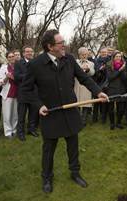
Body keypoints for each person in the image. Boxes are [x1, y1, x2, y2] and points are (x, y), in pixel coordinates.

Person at [21, 29, 108, 193]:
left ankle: (75, 173)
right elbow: (25, 90)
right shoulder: (36, 64)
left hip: (70, 111)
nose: (64, 46)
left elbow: (84, 78)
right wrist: (39, 105)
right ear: (50, 46)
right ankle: (47, 178)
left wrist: (98, 92)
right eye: (61, 43)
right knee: (48, 150)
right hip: (51, 113)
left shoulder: (68, 59)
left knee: (73, 145)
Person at [14, 46, 39, 141]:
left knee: (33, 113)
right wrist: (29, 76)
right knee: (22, 114)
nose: (29, 53)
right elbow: (16, 76)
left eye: (31, 52)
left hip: (34, 92)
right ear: (23, 53)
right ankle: (20, 133)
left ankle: (31, 129)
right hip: (23, 92)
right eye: (27, 52)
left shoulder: (36, 62)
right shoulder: (18, 63)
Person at [0, 51, 18, 138]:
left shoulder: (18, 67)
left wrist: (13, 77)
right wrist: (7, 77)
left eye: (12, 56)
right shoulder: (3, 68)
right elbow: (1, 82)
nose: (11, 58)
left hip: (17, 93)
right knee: (7, 114)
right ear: (7, 58)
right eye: (9, 57)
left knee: (15, 114)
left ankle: (14, 129)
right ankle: (8, 132)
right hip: (7, 94)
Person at [74, 47, 95, 126]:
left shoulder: (91, 63)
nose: (84, 56)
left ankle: (83, 121)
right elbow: (73, 72)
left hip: (86, 86)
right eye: (82, 55)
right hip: (77, 85)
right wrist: (80, 68)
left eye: (85, 54)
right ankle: (77, 120)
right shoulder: (75, 62)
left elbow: (92, 73)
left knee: (86, 103)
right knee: (77, 103)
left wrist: (88, 69)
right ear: (79, 55)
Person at [106, 51, 127, 130]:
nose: (118, 58)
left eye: (120, 57)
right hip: (112, 88)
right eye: (117, 56)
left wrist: (122, 70)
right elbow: (110, 78)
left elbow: (124, 79)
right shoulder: (109, 65)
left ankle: (118, 122)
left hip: (121, 89)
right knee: (111, 108)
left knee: (121, 109)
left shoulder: (123, 66)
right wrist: (119, 71)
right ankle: (112, 123)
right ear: (113, 57)